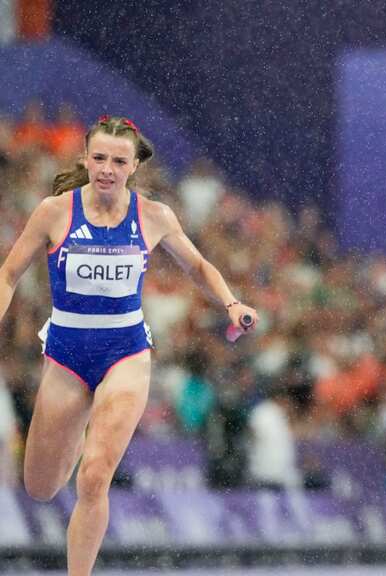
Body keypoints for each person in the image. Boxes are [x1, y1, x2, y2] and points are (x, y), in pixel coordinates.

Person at [0, 115, 258, 575]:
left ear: (134, 166)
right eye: (98, 158)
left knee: (94, 478)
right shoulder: (54, 211)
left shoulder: (154, 216)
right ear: (84, 158)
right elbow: (7, 274)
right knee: (39, 486)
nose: (106, 169)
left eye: (118, 161)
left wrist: (231, 303)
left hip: (126, 354)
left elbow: (198, 267)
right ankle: (79, 426)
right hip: (66, 354)